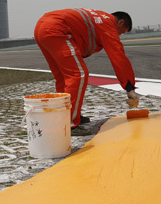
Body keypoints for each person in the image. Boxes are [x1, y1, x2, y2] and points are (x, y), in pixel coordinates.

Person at [34, 8, 139, 136]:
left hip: (42, 28)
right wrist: (129, 87)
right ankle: (69, 123)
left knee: (63, 77)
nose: (118, 36)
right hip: (57, 30)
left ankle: (65, 116)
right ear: (121, 22)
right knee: (78, 75)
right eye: (121, 33)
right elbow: (118, 57)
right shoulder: (108, 24)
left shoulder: (98, 18)